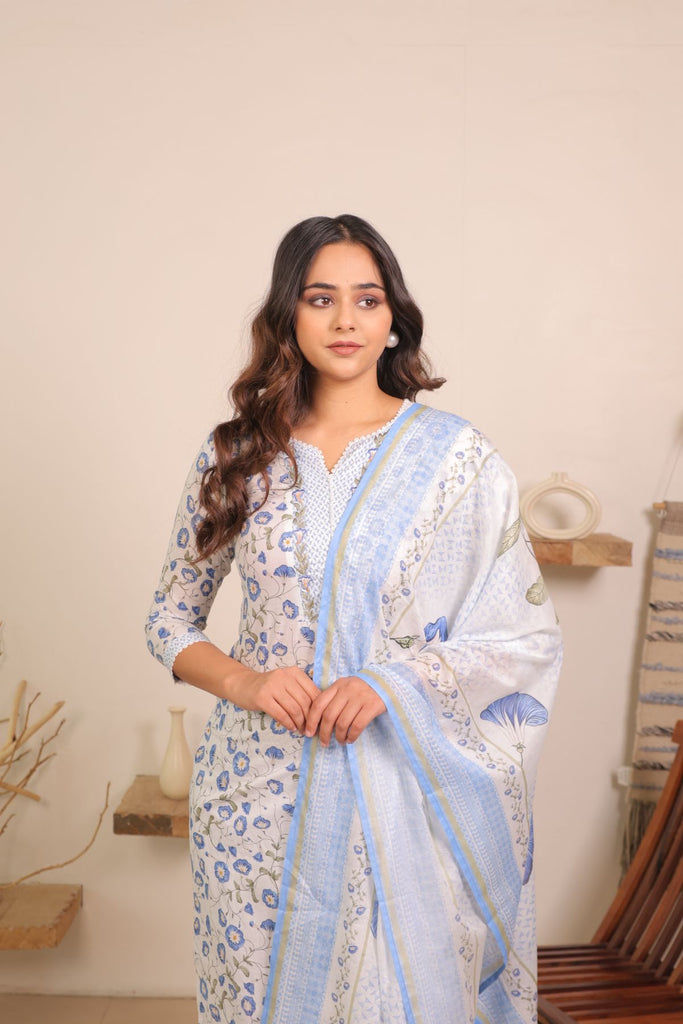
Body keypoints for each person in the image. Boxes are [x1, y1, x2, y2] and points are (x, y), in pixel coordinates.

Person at [145, 214, 562, 1024]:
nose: (345, 320)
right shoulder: (237, 455)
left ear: (392, 318)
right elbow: (169, 619)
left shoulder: (456, 460)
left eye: (367, 300)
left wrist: (391, 684)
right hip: (254, 796)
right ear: (287, 317)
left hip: (403, 782)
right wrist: (246, 683)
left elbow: (521, 636)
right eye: (320, 298)